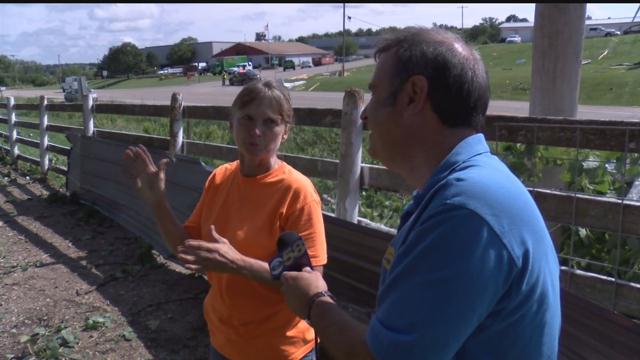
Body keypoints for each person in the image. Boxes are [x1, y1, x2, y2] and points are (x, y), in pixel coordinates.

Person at [280, 27, 561, 359]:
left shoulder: (464, 214)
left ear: (413, 95)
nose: (365, 114)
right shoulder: (465, 192)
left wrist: (314, 303)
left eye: (375, 92)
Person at [123, 80, 327, 360]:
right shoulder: (220, 179)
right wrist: (157, 202)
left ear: (286, 132)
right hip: (223, 342)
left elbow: (307, 284)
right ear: (231, 123)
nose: (256, 131)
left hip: (281, 350)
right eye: (247, 119)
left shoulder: (297, 193)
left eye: (270, 122)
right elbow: (187, 250)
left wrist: (237, 263)